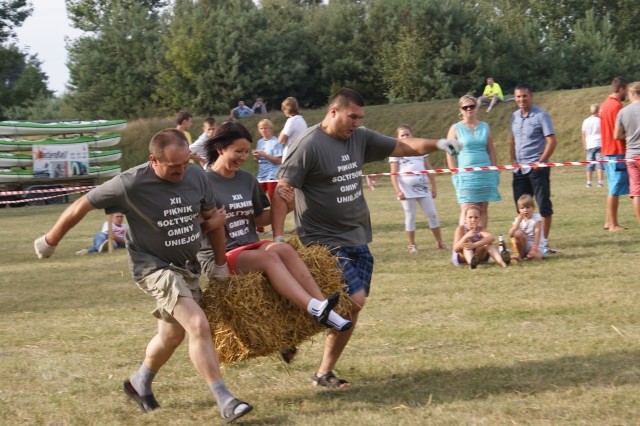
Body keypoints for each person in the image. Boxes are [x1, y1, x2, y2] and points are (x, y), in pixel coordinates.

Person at [33, 129, 253, 424]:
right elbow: (81, 205)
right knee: (198, 324)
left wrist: (219, 264)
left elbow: (215, 221)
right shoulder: (130, 183)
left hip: (186, 266)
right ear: (154, 160)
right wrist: (50, 240)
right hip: (153, 268)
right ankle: (225, 400)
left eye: (184, 164)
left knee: (171, 335)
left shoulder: (196, 175)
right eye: (173, 167)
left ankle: (138, 383)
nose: (180, 172)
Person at [269, 88, 460, 389]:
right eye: (352, 116)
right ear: (334, 111)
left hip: (357, 235)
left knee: (351, 307)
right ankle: (294, 335)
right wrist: (279, 237)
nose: (357, 122)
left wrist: (438, 143)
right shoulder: (307, 145)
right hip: (322, 238)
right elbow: (282, 193)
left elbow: (403, 146)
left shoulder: (360, 137)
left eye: (361, 117)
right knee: (353, 299)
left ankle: (320, 369)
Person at [197, 121, 352, 333]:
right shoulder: (203, 183)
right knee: (269, 258)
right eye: (238, 151)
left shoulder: (246, 180)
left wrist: (286, 206)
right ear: (220, 149)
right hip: (220, 256)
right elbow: (196, 229)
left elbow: (258, 219)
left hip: (249, 246)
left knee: (283, 248)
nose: (243, 157)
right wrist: (212, 223)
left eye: (246, 151)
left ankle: (325, 308)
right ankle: (314, 308)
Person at [510, 83, 557, 253]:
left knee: (543, 205)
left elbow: (552, 141)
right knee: (521, 208)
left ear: (531, 96)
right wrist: (513, 160)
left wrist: (540, 162)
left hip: (537, 169)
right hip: (519, 170)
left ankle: (543, 243)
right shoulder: (514, 116)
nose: (521, 99)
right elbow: (513, 140)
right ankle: (523, 243)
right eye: (518, 96)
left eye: (524, 96)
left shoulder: (541, 116)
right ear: (515, 98)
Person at [389, 124, 446, 254]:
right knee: (410, 216)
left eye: (407, 134)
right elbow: (393, 174)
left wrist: (434, 186)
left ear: (412, 135)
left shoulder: (420, 150)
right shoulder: (395, 152)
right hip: (406, 190)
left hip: (423, 188)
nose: (405, 137)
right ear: (397, 137)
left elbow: (429, 169)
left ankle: (439, 241)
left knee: (432, 214)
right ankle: (412, 244)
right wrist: (398, 190)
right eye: (402, 135)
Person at [446, 94, 501, 230]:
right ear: (461, 110)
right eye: (465, 107)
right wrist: (455, 174)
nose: (469, 109)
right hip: (466, 175)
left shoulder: (485, 127)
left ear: (477, 108)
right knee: (467, 209)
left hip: (484, 173)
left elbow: (491, 150)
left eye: (472, 106)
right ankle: (463, 245)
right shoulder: (455, 128)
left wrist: (494, 170)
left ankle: (481, 245)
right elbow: (450, 153)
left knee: (483, 209)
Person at [600, 77, 629, 232]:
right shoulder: (617, 106)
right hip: (616, 150)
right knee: (615, 189)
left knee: (612, 186)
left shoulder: (604, 105)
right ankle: (613, 224)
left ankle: (608, 221)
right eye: (626, 90)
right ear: (622, 89)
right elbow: (620, 130)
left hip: (606, 150)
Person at [614, 81, 640, 225]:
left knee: (636, 192)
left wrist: (629, 135)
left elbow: (617, 135)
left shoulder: (623, 112)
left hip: (631, 156)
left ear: (631, 94)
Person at [508, 194, 546, 261]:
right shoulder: (518, 219)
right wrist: (517, 223)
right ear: (519, 209)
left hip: (536, 245)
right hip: (524, 245)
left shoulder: (537, 218)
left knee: (535, 257)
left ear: (533, 208)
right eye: (522, 208)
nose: (525, 210)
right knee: (517, 233)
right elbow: (510, 234)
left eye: (528, 207)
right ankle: (520, 255)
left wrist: (534, 249)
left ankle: (531, 255)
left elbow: (537, 234)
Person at [253, 118, 283, 200]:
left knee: (273, 199)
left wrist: (264, 155)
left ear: (271, 129)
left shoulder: (276, 142)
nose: (263, 130)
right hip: (261, 175)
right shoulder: (260, 142)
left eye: (266, 128)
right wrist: (256, 156)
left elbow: (278, 161)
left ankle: (277, 213)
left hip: (272, 175)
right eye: (261, 128)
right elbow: (258, 161)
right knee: (257, 199)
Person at [581, 104, 604, 188]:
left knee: (589, 163)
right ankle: (600, 182)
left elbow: (583, 134)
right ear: (598, 110)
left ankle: (589, 182)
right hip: (599, 143)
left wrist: (584, 145)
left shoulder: (586, 121)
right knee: (600, 163)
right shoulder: (600, 120)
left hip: (589, 144)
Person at [278, 96, 307, 161]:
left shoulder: (291, 121)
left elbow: (280, 140)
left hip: (291, 157)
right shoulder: (302, 120)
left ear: (286, 109)